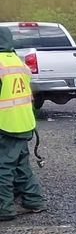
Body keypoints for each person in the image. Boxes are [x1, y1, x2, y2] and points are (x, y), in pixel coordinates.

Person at [0, 26, 47, 221]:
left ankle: (4, 209)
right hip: (24, 122)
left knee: (3, 167)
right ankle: (34, 201)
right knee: (20, 165)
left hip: (6, 124)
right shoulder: (16, 62)